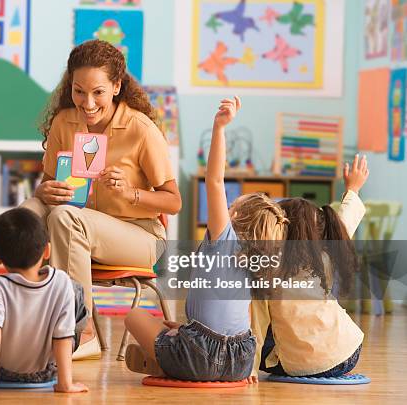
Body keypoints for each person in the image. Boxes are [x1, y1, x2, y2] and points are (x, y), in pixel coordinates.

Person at [21, 39, 181, 358]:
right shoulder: (63, 123)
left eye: (98, 92)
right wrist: (42, 192)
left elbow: (173, 202)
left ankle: (84, 332)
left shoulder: (140, 130)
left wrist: (132, 193)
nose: (88, 102)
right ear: (71, 87)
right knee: (26, 214)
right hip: (76, 230)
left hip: (140, 235)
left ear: (116, 86)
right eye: (79, 91)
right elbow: (48, 185)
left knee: (65, 218)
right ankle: (19, 319)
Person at [124, 97, 286, 383]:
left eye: (233, 205)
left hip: (200, 352)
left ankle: (166, 363)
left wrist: (219, 128)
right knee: (169, 325)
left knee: (134, 316)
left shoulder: (225, 238)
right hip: (241, 358)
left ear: (236, 217)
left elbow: (214, 180)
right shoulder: (256, 257)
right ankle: (172, 351)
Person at [250, 155, 369, 379]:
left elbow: (257, 326)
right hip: (348, 351)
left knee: (262, 328)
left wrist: (251, 369)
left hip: (304, 365)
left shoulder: (266, 270)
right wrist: (353, 188)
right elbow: (345, 219)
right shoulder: (326, 251)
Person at [0, 208, 88, 396]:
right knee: (76, 291)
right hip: (44, 374)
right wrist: (66, 384)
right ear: (47, 250)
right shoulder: (62, 282)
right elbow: (63, 337)